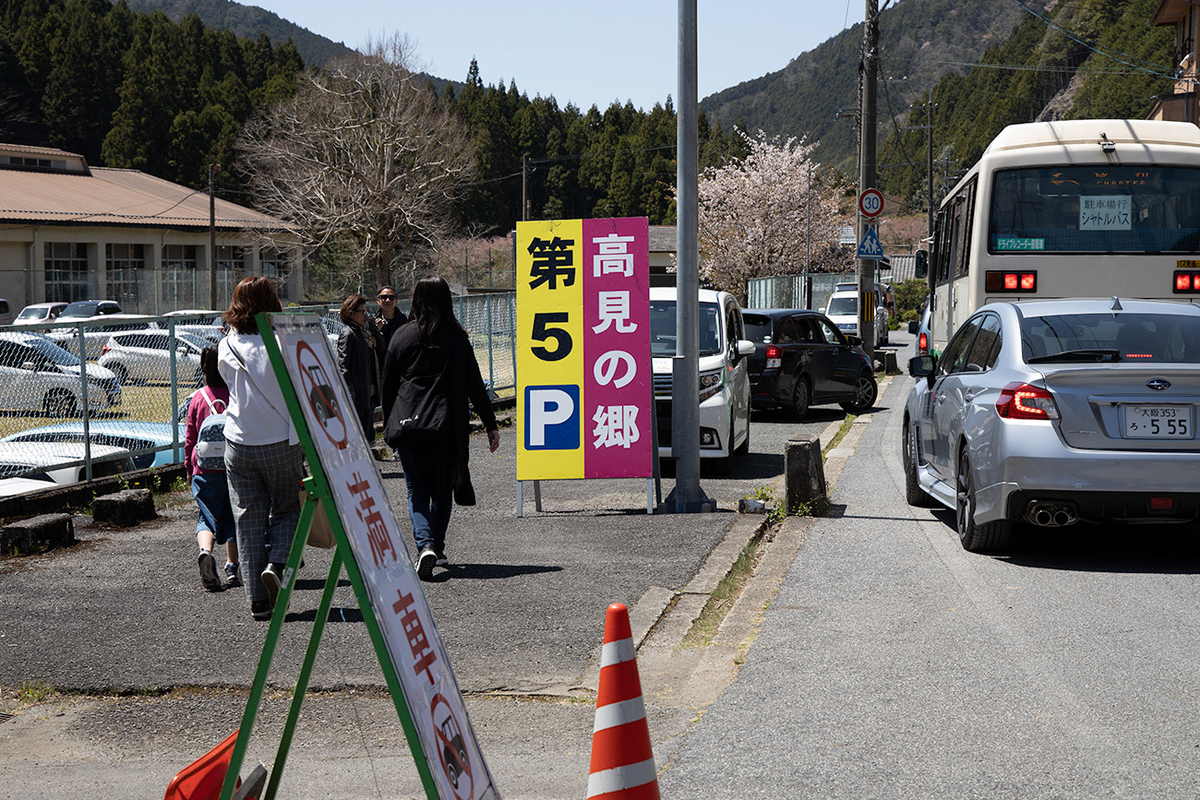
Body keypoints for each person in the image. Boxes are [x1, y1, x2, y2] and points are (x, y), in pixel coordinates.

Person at [382, 275, 500, 580]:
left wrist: (387, 425)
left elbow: (387, 386)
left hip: (407, 425)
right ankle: (434, 543)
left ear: (416, 300)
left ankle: (425, 545)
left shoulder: (402, 336)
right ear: (446, 299)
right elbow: (476, 384)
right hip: (446, 426)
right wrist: (491, 424)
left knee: (416, 490)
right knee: (442, 491)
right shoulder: (457, 338)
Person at [218, 276, 305, 621]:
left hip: (238, 441)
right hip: (281, 440)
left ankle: (257, 601)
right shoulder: (283, 342)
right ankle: (278, 563)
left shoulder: (227, 344)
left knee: (248, 520)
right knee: (289, 509)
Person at [184, 346, 238, 592]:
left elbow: (190, 438)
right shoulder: (236, 394)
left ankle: (205, 551)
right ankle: (232, 566)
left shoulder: (198, 398)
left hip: (204, 469)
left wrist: (189, 469)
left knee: (208, 516)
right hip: (233, 465)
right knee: (235, 514)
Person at [337, 294, 381, 441]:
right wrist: (350, 392)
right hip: (358, 394)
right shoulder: (348, 333)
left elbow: (381, 346)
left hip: (369, 391)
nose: (366, 315)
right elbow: (343, 364)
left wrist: (373, 326)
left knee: (365, 433)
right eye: (362, 312)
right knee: (357, 435)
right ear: (351, 314)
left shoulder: (365, 333)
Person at [374, 284, 407, 350]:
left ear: (396, 300)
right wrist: (376, 331)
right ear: (378, 300)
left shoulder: (404, 322)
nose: (388, 300)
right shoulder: (372, 322)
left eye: (391, 297)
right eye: (384, 297)